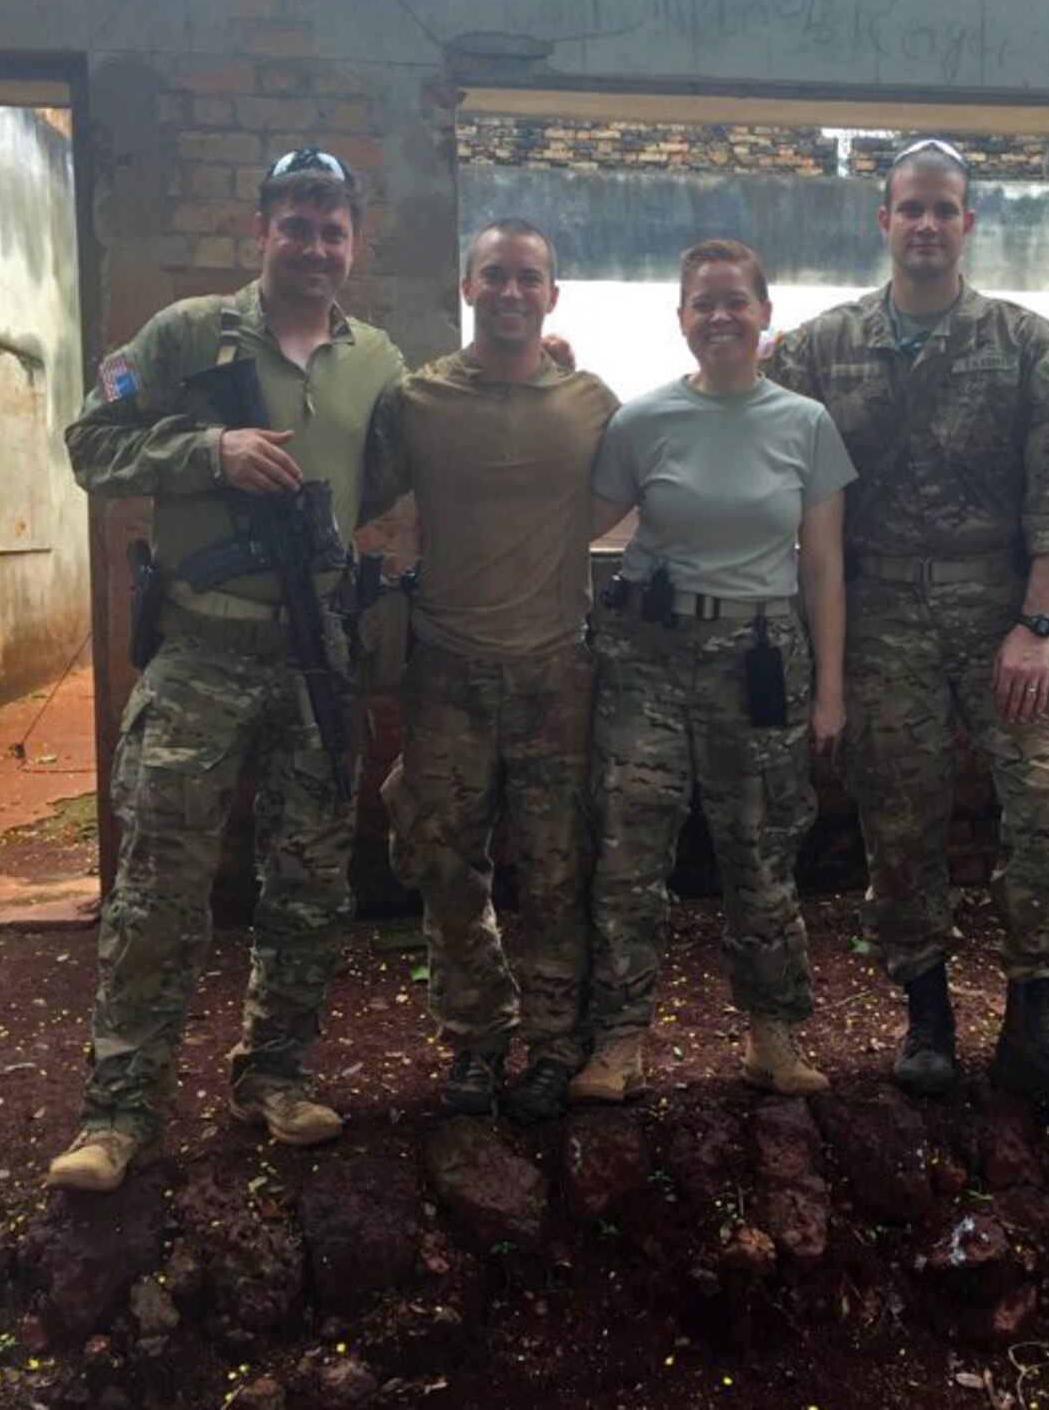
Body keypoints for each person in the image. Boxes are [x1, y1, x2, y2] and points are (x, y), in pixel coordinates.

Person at [48, 147, 411, 1191]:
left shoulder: (376, 358)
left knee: (308, 885)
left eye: (332, 226)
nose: (314, 243)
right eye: (295, 223)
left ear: (355, 241)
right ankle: (117, 1112)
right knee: (159, 888)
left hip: (313, 657)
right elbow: (89, 441)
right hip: (202, 651)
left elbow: (381, 477)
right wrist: (208, 452)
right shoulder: (185, 337)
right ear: (263, 231)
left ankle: (276, 1074)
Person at [766, 140, 1049, 1120]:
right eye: (909, 210)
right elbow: (741, 392)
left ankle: (1036, 1023)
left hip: (1001, 608)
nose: (925, 226)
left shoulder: (1020, 342)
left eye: (943, 210)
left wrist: (1035, 622)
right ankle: (925, 1014)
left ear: (966, 224)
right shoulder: (822, 346)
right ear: (881, 221)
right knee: (897, 812)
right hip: (879, 605)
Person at [570, 239, 852, 1103]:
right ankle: (617, 1041)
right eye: (704, 303)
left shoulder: (805, 423)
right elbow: (569, 522)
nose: (721, 316)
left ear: (766, 314)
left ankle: (775, 1033)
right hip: (648, 657)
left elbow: (823, 564)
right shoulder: (641, 421)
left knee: (761, 853)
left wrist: (832, 692)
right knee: (628, 851)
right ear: (682, 319)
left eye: (737, 301)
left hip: (759, 660)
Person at [377, 218, 620, 1123]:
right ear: (467, 288)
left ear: (552, 294)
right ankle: (476, 1037)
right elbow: (360, 482)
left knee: (557, 870)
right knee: (445, 865)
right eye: (495, 277)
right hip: (446, 670)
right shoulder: (416, 399)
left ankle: (557, 1044)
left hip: (556, 672)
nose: (513, 292)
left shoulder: (593, 401)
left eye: (530, 278)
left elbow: (637, 483)